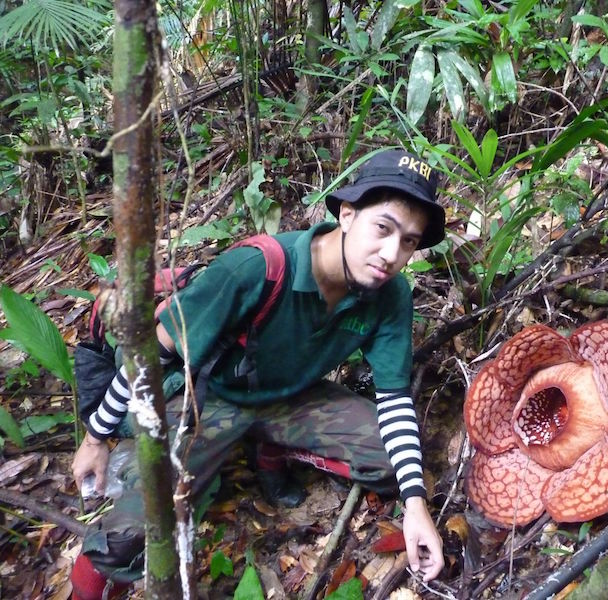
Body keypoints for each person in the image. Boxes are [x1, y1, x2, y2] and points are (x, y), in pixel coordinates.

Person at [69, 148, 447, 600]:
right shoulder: (257, 268)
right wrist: (95, 440)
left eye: (408, 241)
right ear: (347, 215)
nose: (391, 254)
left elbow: (394, 399)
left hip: (294, 396)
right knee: (131, 536)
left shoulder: (389, 294)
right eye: (382, 228)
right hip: (213, 399)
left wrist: (415, 505)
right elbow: (151, 357)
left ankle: (273, 447)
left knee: (395, 464)